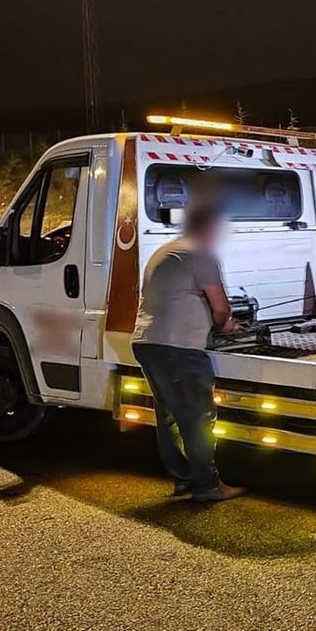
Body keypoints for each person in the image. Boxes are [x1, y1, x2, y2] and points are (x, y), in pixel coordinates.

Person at [131, 204, 246, 503]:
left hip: (148, 342)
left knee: (170, 415)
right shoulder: (201, 254)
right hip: (179, 347)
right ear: (207, 227)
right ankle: (208, 486)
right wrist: (227, 325)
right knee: (198, 417)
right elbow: (220, 308)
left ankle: (183, 480)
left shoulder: (165, 251)